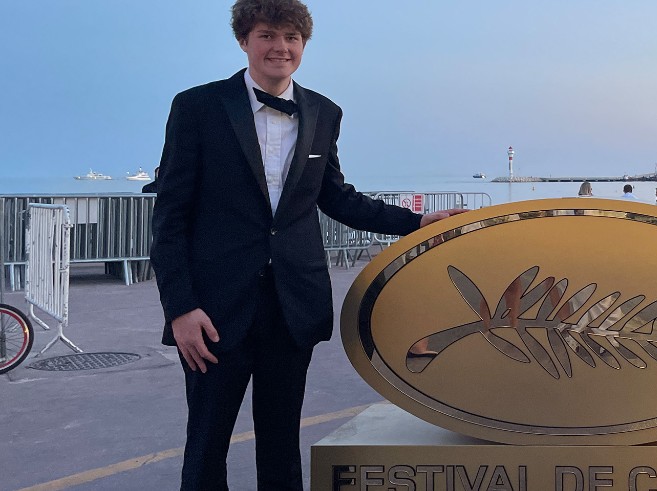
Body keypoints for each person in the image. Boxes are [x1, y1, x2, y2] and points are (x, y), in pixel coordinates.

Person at [149, 1, 466, 488]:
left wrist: (417, 221)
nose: (281, 47)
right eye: (268, 36)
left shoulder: (323, 112)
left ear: (303, 45)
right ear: (244, 41)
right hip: (214, 310)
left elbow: (335, 196)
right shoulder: (197, 107)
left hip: (291, 304)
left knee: (281, 442)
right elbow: (170, 217)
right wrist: (180, 307)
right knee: (207, 443)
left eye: (291, 38)